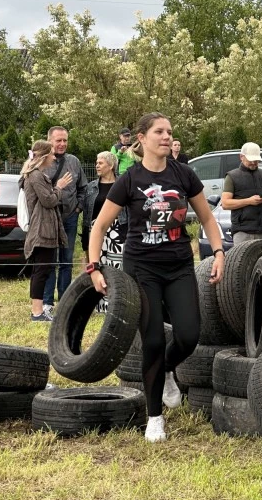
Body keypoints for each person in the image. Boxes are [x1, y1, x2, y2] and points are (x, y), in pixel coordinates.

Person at [88, 112, 225, 443]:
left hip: (179, 266)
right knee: (151, 341)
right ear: (142, 138)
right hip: (142, 269)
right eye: (159, 132)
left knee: (189, 335)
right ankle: (154, 418)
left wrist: (219, 253)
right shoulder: (129, 179)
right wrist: (94, 267)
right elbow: (99, 226)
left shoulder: (184, 174)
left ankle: (165, 370)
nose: (166, 136)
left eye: (169, 132)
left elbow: (208, 218)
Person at [19, 140, 73, 322]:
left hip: (45, 229)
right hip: (42, 230)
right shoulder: (35, 176)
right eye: (50, 154)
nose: (53, 157)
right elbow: (48, 200)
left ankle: (39, 310)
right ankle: (37, 312)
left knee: (43, 269)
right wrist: (59, 187)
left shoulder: (37, 175)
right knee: (41, 271)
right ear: (43, 157)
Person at [42, 126, 88, 316]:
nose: (62, 144)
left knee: (67, 260)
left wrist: (77, 209)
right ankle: (47, 303)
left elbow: (83, 189)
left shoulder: (74, 161)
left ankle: (65, 301)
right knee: (49, 260)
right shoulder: (42, 162)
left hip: (69, 217)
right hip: (49, 219)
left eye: (65, 140)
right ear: (49, 141)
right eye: (58, 140)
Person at [81, 151, 128, 313]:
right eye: (96, 162)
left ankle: (117, 304)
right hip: (97, 232)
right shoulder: (91, 187)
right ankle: (100, 306)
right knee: (98, 268)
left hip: (117, 232)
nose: (97, 166)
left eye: (100, 163)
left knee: (117, 267)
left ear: (111, 166)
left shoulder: (123, 184)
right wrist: (85, 239)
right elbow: (87, 214)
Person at [220, 142, 262, 244]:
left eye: (256, 160)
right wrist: (249, 201)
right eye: (251, 160)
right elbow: (225, 204)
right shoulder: (232, 176)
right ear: (241, 157)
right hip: (242, 231)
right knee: (242, 260)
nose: (254, 163)